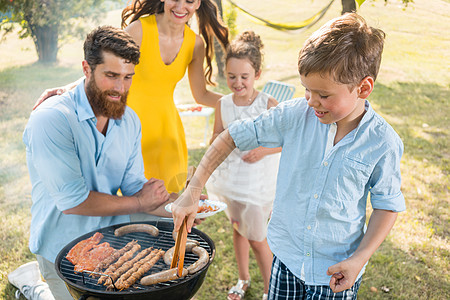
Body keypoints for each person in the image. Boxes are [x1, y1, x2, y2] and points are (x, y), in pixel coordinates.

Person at [172, 13, 406, 299]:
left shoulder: (383, 142)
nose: (311, 101)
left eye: (323, 94)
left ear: (363, 88)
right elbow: (229, 136)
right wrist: (193, 190)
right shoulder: (295, 114)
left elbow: (387, 205)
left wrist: (359, 259)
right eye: (307, 90)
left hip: (336, 271)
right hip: (285, 259)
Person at [20, 25, 171, 299]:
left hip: (110, 241)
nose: (120, 88)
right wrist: (139, 203)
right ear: (86, 69)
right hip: (60, 248)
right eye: (111, 76)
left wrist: (180, 206)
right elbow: (74, 201)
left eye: (127, 77)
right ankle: (32, 288)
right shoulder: (51, 119)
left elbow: (134, 186)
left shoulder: (129, 121)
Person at [34, 0, 229, 199]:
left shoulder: (195, 44)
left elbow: (201, 95)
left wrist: (246, 103)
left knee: (166, 203)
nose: (180, 7)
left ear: (198, 3)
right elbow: (106, 66)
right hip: (125, 128)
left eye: (189, 0)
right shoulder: (139, 30)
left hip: (167, 135)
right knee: (126, 203)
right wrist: (68, 88)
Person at [204, 30, 281, 300]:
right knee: (238, 229)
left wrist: (263, 150)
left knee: (258, 239)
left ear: (257, 74)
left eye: (244, 77)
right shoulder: (223, 104)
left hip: (257, 186)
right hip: (231, 184)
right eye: (231, 76)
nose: (237, 83)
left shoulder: (267, 104)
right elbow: (216, 139)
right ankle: (243, 278)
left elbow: (288, 142)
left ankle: (272, 290)